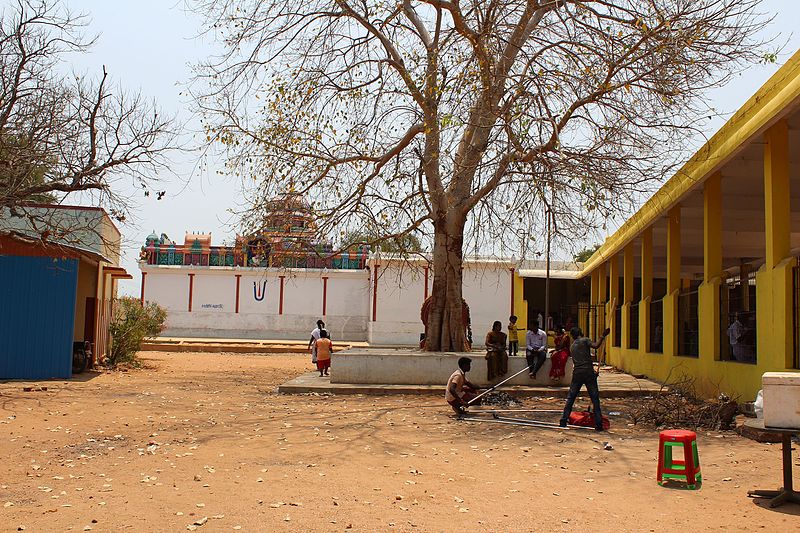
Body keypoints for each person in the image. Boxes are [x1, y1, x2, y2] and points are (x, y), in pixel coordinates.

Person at [560, 327, 609, 431]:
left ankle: (563, 420)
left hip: (577, 373)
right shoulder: (585, 340)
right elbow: (596, 346)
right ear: (581, 333)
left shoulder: (572, 346)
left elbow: (581, 360)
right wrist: (603, 335)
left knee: (571, 397)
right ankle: (599, 424)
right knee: (595, 399)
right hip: (588, 372)